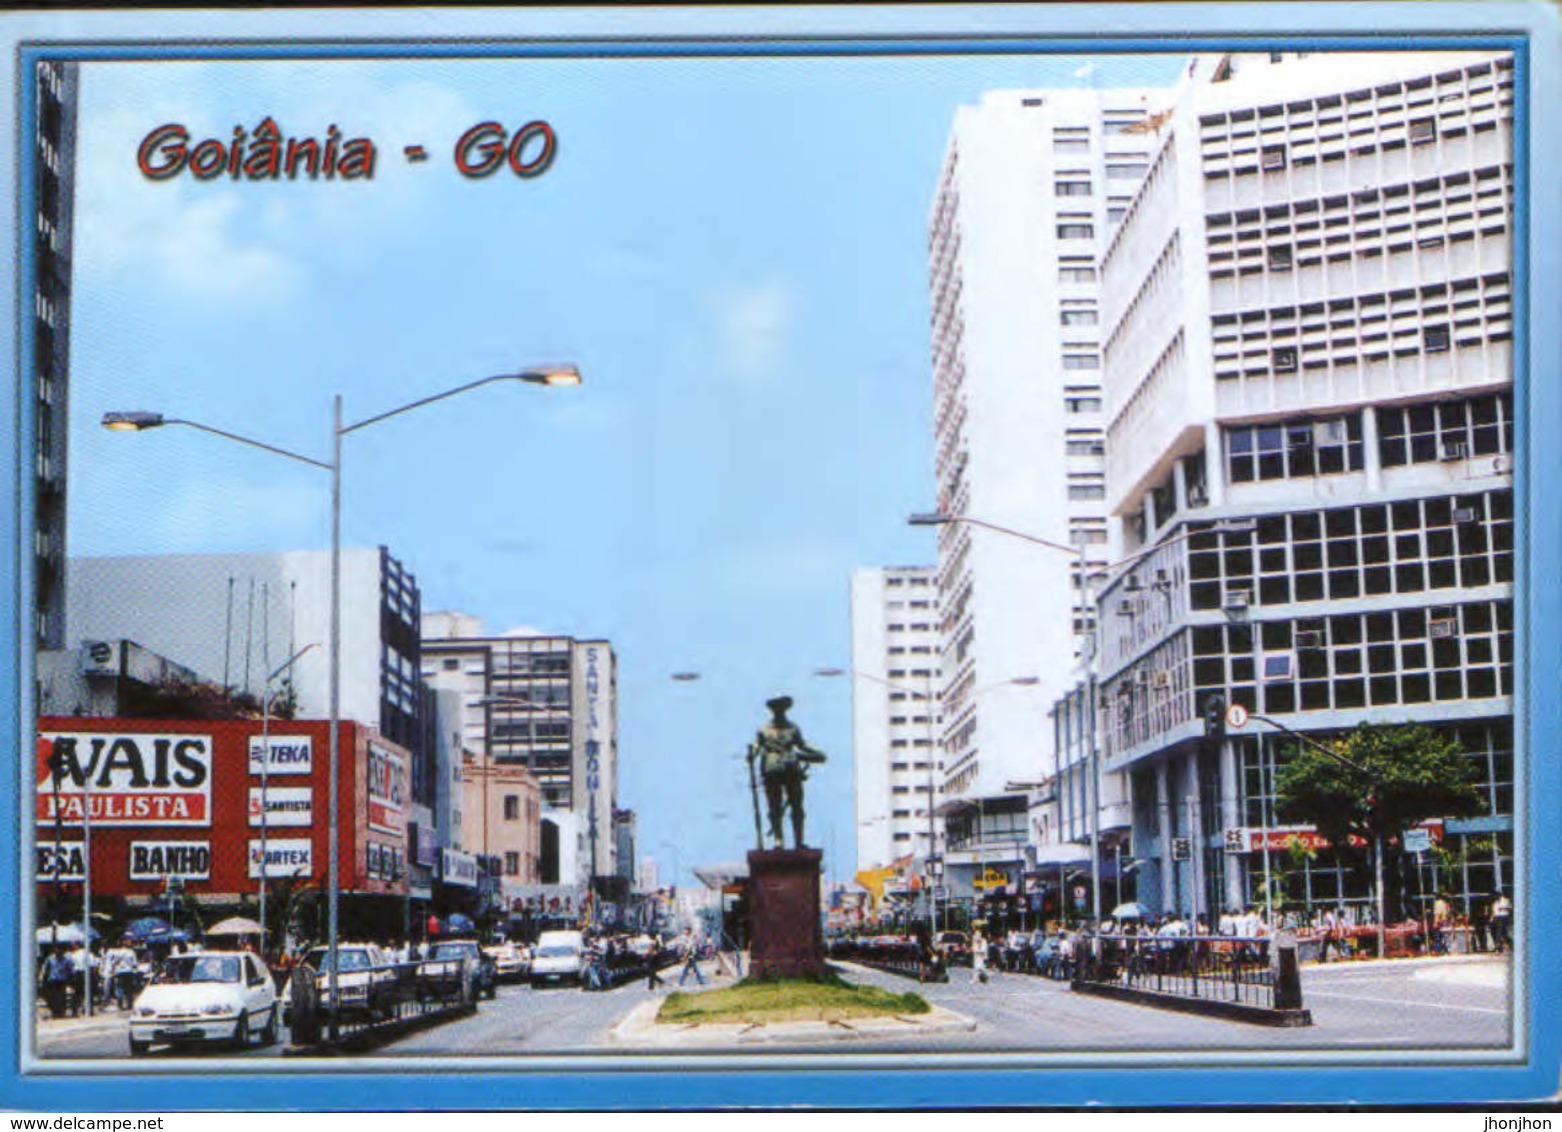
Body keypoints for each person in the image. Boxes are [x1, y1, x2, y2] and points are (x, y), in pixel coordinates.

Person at [748, 696, 828, 849]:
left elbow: (802, 746)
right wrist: (751, 753)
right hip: (772, 768)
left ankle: (799, 840)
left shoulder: (793, 728)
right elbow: (756, 746)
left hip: (791, 767)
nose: (779, 712)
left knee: (796, 805)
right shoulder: (764, 730)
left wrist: (816, 753)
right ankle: (779, 840)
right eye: (777, 709)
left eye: (782, 709)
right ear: (772, 711)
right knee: (774, 805)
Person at [103, 939, 140, 1010]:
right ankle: (129, 1004)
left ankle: (120, 1005)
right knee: (129, 989)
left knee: (119, 988)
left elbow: (112, 962)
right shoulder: (131, 952)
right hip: (128, 972)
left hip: (119, 972)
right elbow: (134, 964)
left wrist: (113, 970)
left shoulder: (116, 953)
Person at [40, 945, 75, 1019]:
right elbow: (46, 969)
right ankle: (55, 1011)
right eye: (57, 950)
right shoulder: (50, 959)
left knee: (61, 997)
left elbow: (70, 970)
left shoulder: (66, 960)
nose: (59, 952)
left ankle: (60, 1012)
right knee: (52, 997)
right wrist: (42, 978)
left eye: (60, 951)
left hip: (62, 980)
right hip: (52, 980)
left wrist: (71, 978)